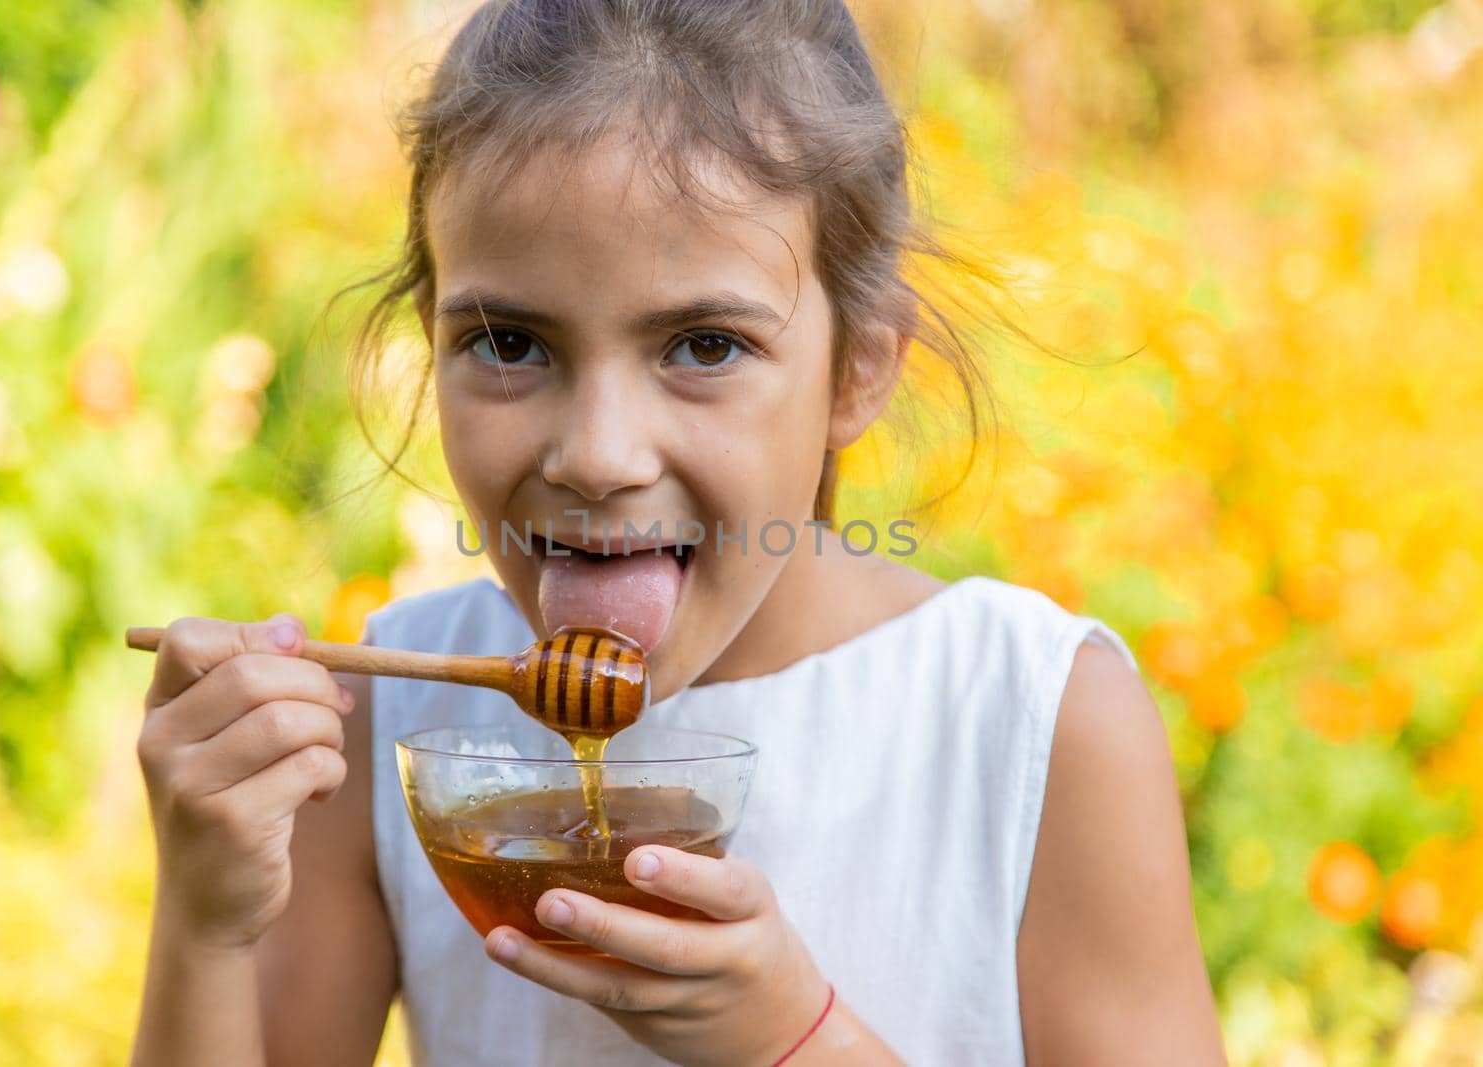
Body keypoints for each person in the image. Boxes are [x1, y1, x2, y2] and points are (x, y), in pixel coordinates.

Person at [130, 1, 1227, 1064]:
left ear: (858, 368)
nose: (598, 453)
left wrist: (794, 1040)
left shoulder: (1030, 720)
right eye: (510, 342)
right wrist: (206, 920)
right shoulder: (390, 724)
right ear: (432, 342)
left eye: (702, 345)